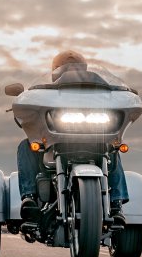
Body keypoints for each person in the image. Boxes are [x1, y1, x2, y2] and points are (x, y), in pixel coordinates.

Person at [16, 50, 129, 223]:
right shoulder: (49, 92)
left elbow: (113, 99)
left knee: (113, 148)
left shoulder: (99, 89)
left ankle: (116, 204)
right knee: (27, 145)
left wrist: (125, 95)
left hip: (94, 137)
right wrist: (26, 100)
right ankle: (29, 197)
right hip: (57, 140)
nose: (71, 70)